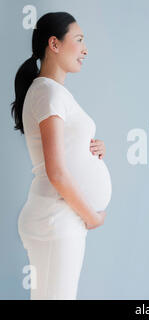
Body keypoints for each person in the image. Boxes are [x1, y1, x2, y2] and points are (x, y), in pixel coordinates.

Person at [11, 12, 112, 299]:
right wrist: (91, 216)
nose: (85, 49)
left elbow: (63, 151)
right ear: (54, 44)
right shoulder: (48, 93)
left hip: (58, 218)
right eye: (79, 40)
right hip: (57, 218)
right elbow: (55, 171)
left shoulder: (51, 92)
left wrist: (92, 150)